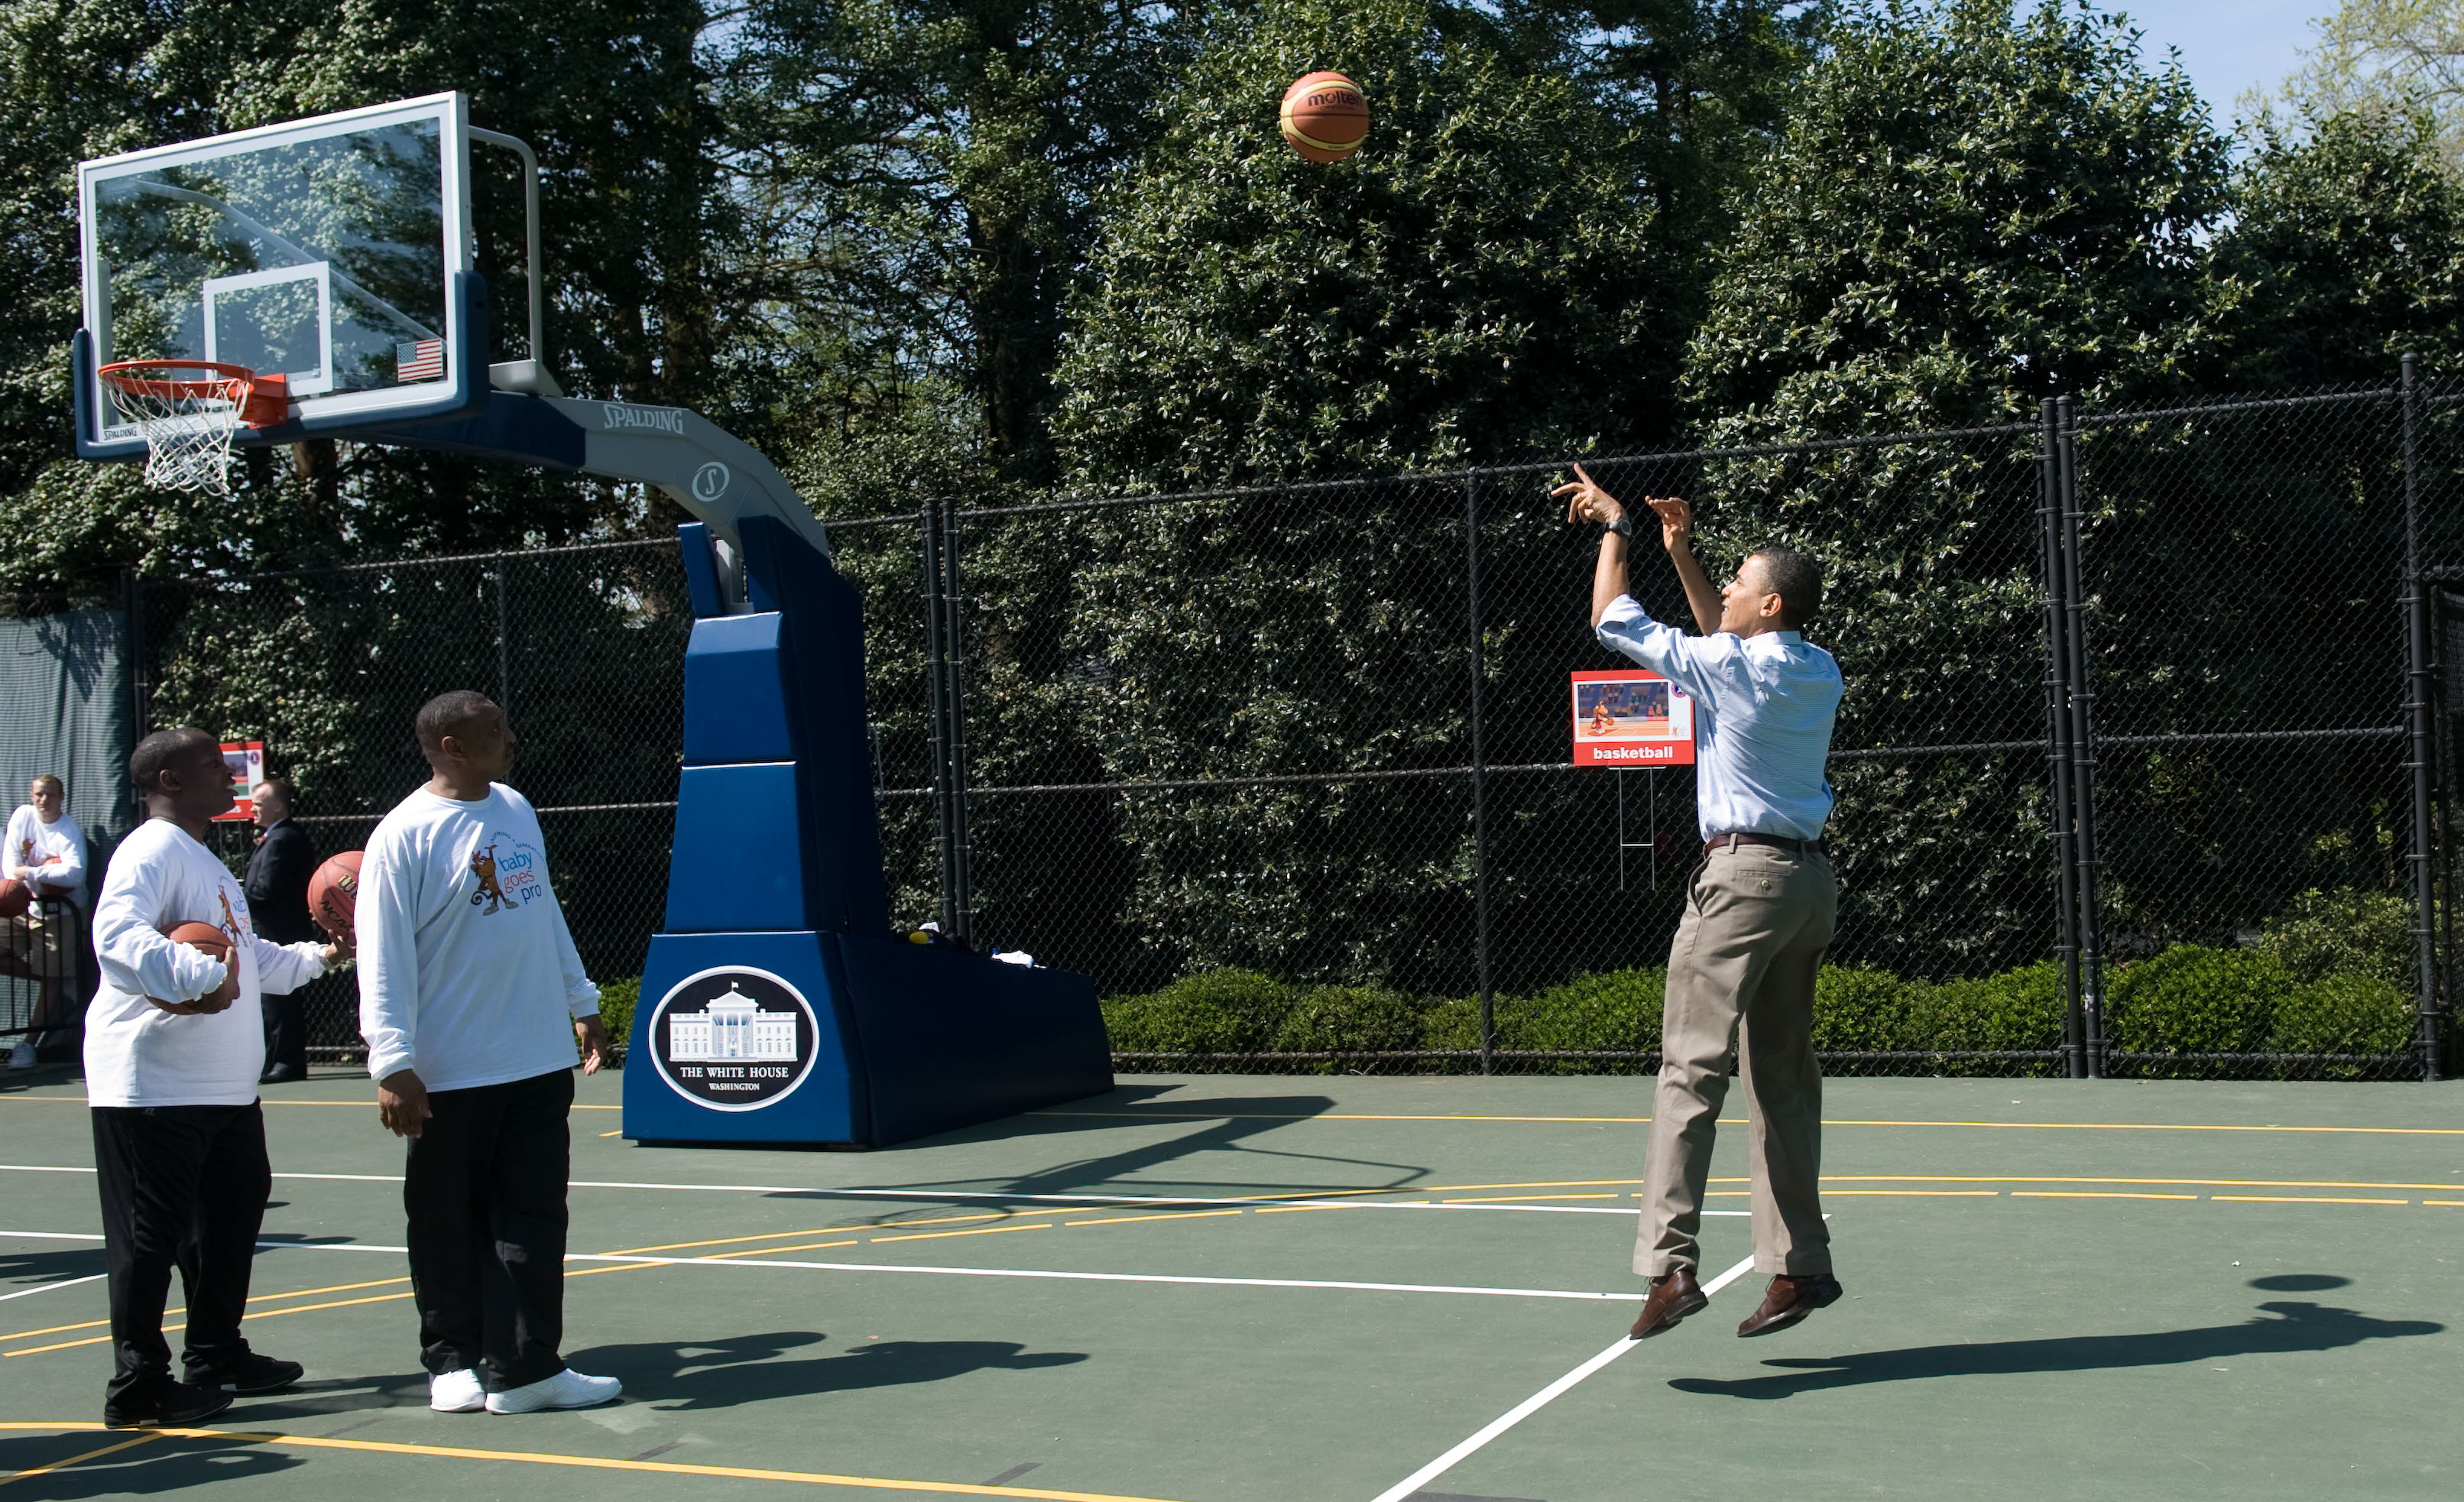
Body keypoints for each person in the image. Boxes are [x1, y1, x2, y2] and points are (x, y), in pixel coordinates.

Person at [1556, 463, 1846, 1341]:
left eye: (1738, 581)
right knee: (1783, 1085)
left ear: (1767, 606)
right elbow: (1723, 637)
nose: (1725, 584)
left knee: (1689, 1071)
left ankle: (1668, 1266)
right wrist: (1686, 555)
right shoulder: (1817, 667)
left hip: (1739, 886)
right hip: (1806, 887)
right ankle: (1799, 1268)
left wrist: (1620, 529)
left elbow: (1610, 618)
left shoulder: (1730, 668)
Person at [356, 690, 618, 1416]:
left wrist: (583, 999)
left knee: (533, 1216)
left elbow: (543, 914)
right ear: (451, 745)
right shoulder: (402, 835)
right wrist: (392, 1060)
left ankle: (528, 1366)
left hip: (534, 1058)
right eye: (494, 729)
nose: (511, 736)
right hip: (449, 1069)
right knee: (445, 1218)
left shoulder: (515, 806)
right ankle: (451, 1361)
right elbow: (381, 956)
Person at [86, 728, 344, 1427]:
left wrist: (321, 955)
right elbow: (117, 937)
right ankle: (138, 1383)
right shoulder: (149, 850)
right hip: (154, 1083)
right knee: (151, 1236)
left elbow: (248, 955)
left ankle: (216, 1351)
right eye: (211, 764)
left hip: (223, 1088)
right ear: (169, 779)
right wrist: (195, 972)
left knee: (229, 1221)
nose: (228, 773)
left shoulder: (204, 858)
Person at [2, 774, 89, 1070]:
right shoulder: (22, 817)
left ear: (61, 798)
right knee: (51, 976)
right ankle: (59, 979)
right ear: (31, 795)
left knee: (52, 978)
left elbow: (74, 875)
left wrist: (31, 873)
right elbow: (8, 866)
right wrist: (39, 873)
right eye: (39, 794)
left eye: (50, 795)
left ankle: (27, 1045)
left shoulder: (68, 832)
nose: (44, 800)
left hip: (59, 913)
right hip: (24, 906)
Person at [245, 778, 318, 1083]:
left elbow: (266, 890)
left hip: (278, 931)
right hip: (277, 929)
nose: (253, 809)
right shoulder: (277, 836)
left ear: (278, 806)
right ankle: (277, 1060)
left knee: (279, 1000)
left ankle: (286, 1062)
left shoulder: (283, 838)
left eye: (259, 804)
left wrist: (232, 899)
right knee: (272, 1000)